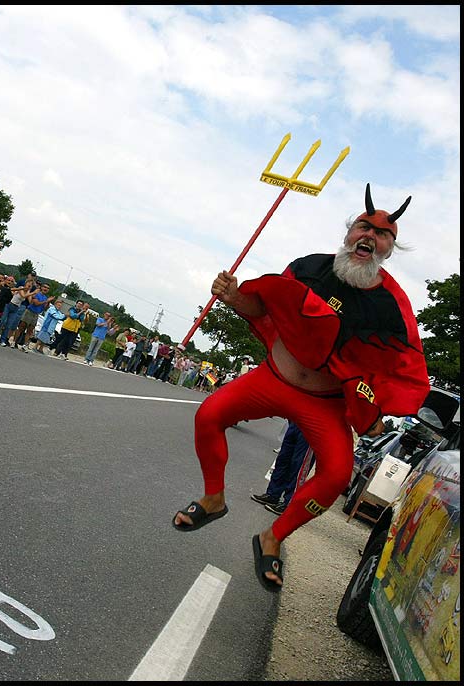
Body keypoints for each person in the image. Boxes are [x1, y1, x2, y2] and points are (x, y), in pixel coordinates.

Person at [172, 184, 430, 593]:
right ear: (349, 234)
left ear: (388, 249)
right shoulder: (309, 267)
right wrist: (234, 296)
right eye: (363, 226)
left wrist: (376, 414)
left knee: (337, 476)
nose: (369, 235)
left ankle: (272, 538)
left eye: (382, 234)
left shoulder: (391, 307)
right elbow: (264, 307)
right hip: (273, 378)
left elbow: (396, 366)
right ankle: (213, 498)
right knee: (209, 415)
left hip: (325, 404)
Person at [251, 421, 313, 515]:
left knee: (299, 466)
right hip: (297, 421)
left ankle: (289, 503)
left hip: (314, 428)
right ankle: (272, 494)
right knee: (283, 459)